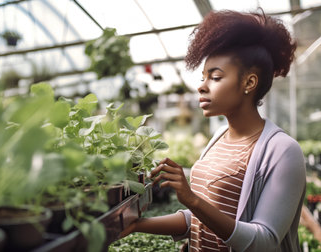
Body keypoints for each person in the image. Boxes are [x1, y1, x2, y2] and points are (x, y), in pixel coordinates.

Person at [120, 9, 306, 252]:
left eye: (215, 77)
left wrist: (192, 199)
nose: (201, 87)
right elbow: (198, 220)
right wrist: (136, 224)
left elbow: (264, 241)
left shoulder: (283, 151)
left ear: (249, 83)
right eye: (203, 77)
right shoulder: (219, 138)